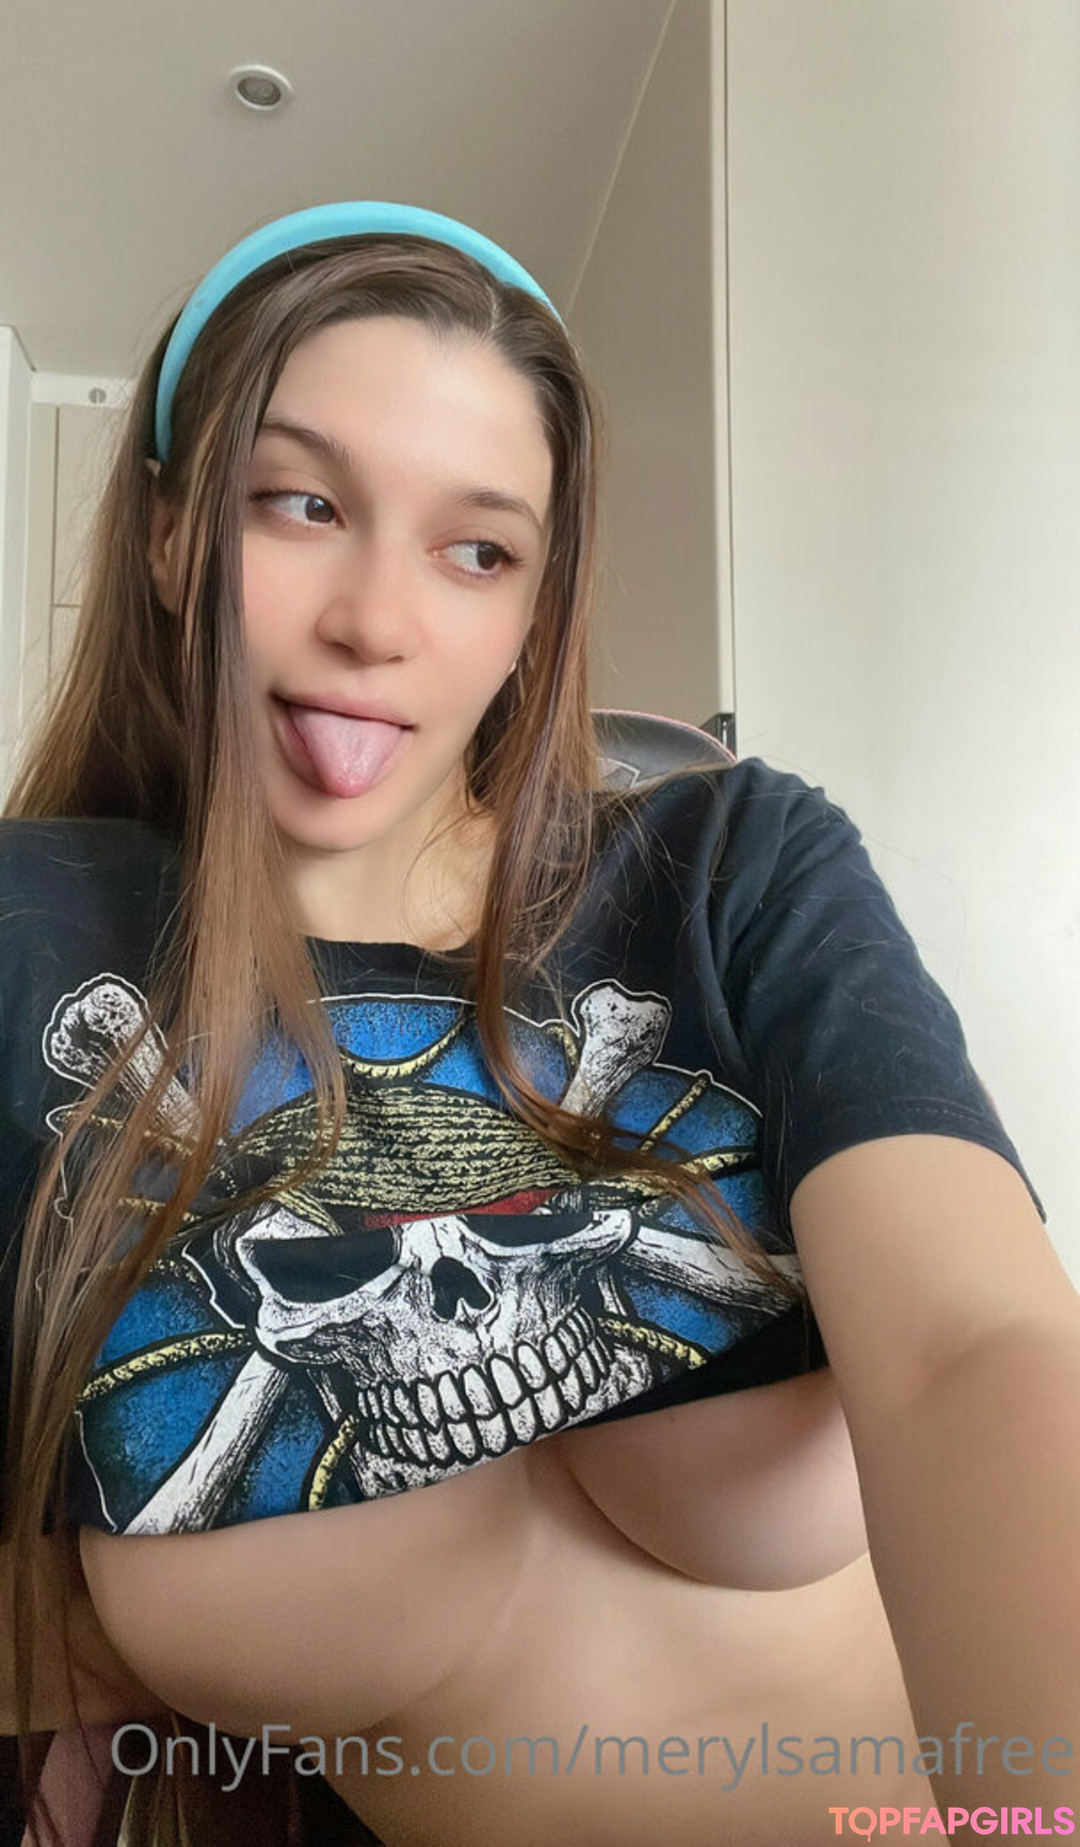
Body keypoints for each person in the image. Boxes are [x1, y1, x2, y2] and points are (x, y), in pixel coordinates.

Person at [0, 201, 1076, 1847]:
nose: (377, 619)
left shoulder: (727, 864)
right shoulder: (35, 933)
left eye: (479, 550)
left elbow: (972, 1347)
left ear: (533, 610)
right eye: (301, 505)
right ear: (168, 538)